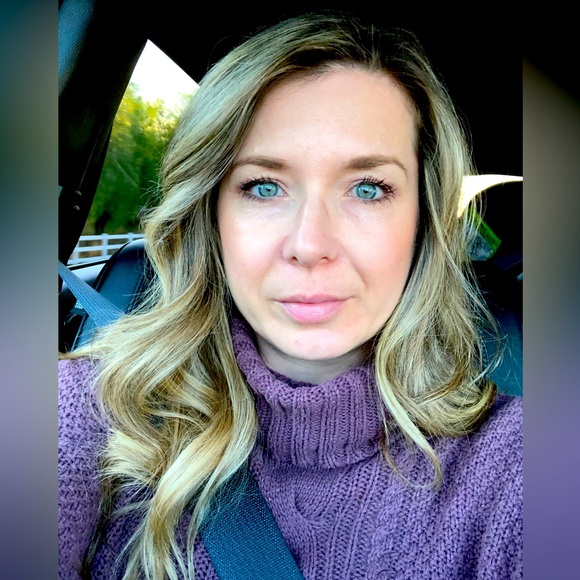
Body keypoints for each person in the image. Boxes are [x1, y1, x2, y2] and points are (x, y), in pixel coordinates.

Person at [58, 11, 523, 579]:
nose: (309, 244)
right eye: (263, 186)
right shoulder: (90, 410)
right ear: (211, 214)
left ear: (422, 222)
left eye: (368, 188)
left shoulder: (521, 464)